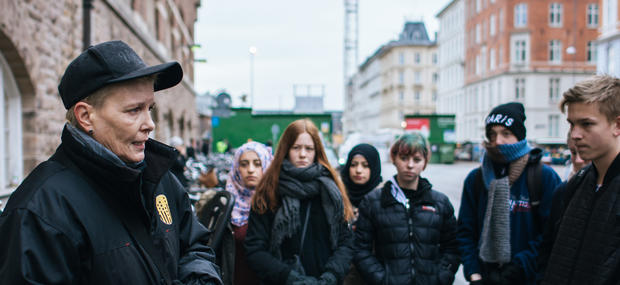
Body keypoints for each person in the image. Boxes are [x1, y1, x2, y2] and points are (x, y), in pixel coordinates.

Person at [0, 40, 222, 284]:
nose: (150, 123)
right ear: (86, 116)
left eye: (150, 108)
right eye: (134, 110)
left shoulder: (159, 178)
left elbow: (194, 247)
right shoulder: (40, 210)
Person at [457, 102, 561, 285]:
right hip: (484, 278)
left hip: (529, 278)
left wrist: (520, 267)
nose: (498, 141)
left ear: (519, 136)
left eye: (506, 133)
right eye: (492, 134)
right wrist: (474, 274)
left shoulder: (543, 176)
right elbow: (465, 231)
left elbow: (551, 233)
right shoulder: (476, 179)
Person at [244, 119, 354, 285]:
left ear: (317, 151)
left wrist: (330, 276)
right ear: (286, 150)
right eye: (296, 147)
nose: (303, 154)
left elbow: (345, 243)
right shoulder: (268, 191)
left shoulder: (332, 191)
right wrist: (289, 277)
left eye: (309, 148)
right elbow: (255, 249)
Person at [541, 75, 620, 284]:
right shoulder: (574, 186)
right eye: (571, 124)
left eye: (586, 124)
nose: (575, 134)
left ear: (617, 125)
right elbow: (549, 256)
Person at [353, 133, 460, 285]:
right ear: (394, 159)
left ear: (425, 162)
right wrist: (382, 279)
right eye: (404, 158)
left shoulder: (439, 202)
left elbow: (452, 247)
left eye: (416, 160)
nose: (410, 165)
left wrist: (441, 276)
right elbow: (361, 249)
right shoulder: (373, 202)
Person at [536, 132, 591, 282]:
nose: (579, 160)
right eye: (573, 152)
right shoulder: (562, 191)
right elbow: (548, 245)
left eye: (584, 152)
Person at [224, 141, 274, 285]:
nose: (250, 170)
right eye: (244, 164)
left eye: (257, 164)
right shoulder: (225, 205)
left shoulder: (277, 203)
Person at [339, 143, 383, 284]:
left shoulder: (383, 199)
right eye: (353, 165)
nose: (358, 170)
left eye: (365, 165)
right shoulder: (337, 196)